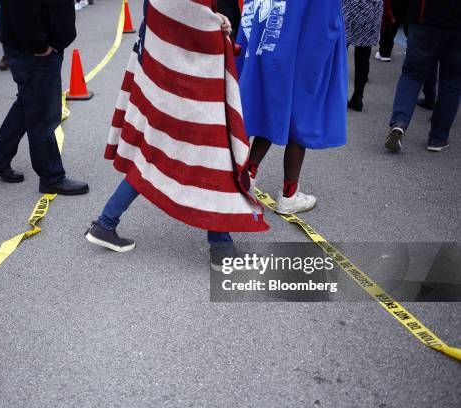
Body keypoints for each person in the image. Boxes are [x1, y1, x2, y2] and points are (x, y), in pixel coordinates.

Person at [84, 1, 269, 270]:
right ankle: (221, 249)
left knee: (154, 154)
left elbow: (174, 12)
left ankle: (105, 222)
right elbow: (188, 13)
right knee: (214, 159)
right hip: (191, 84)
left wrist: (213, 18)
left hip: (165, 75)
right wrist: (214, 24)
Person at [237, 0, 347, 214]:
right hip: (301, 51)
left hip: (265, 44)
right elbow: (326, 26)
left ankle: (248, 174)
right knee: (300, 114)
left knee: (268, 109)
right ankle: (289, 194)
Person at [0, 0, 88, 195]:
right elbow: (21, 8)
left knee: (29, 102)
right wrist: (40, 45)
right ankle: (51, 177)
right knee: (44, 117)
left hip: (40, 46)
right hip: (35, 51)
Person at [384, 0, 460, 153]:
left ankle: (399, 122)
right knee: (451, 83)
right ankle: (438, 138)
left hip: (424, 19)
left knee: (412, 75)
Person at [343, 0, 384, 112]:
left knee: (340, 52)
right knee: (363, 54)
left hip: (352, 6)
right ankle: (358, 97)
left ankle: (337, 96)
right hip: (372, 7)